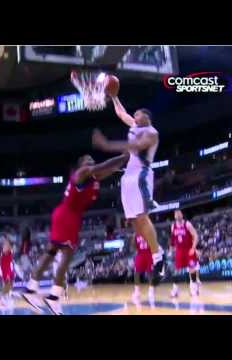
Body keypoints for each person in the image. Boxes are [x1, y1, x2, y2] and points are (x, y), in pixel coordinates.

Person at [21, 153, 128, 315]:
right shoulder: (81, 173)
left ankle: (31, 289)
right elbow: (105, 165)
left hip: (67, 215)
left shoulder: (92, 177)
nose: (91, 162)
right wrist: (125, 155)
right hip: (68, 216)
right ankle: (53, 296)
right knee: (66, 256)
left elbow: (109, 169)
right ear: (81, 165)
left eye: (92, 160)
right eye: (87, 160)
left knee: (50, 253)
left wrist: (124, 162)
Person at [92, 96, 164, 284]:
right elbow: (120, 112)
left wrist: (107, 145)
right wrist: (114, 96)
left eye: (137, 114)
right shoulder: (134, 125)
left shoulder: (151, 132)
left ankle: (158, 257)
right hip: (128, 176)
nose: (134, 116)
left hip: (141, 174)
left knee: (142, 216)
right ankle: (156, 251)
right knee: (133, 221)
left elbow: (136, 146)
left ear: (146, 117)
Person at [169, 210, 200, 297]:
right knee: (176, 271)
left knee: (192, 269)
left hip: (188, 250)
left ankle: (193, 289)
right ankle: (175, 290)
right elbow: (172, 240)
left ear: (182, 215)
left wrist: (193, 248)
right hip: (179, 250)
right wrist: (170, 250)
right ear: (174, 216)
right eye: (176, 214)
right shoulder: (173, 226)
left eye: (179, 214)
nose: (178, 215)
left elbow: (196, 236)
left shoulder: (187, 224)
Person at [131, 232, 155, 306]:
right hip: (140, 254)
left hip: (149, 253)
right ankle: (137, 291)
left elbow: (153, 243)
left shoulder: (148, 230)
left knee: (150, 272)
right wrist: (133, 238)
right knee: (136, 272)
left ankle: (151, 290)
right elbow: (133, 245)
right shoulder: (136, 233)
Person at [0, 234, 15, 311]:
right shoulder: (5, 247)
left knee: (11, 283)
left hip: (9, 266)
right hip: (5, 267)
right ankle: (2, 300)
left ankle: (8, 297)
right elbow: (2, 261)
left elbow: (11, 244)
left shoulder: (10, 247)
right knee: (7, 284)